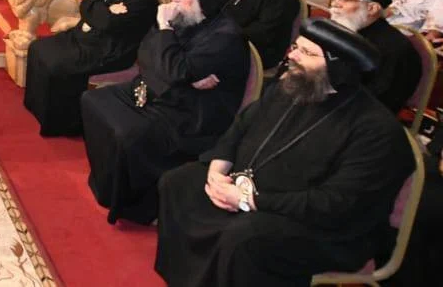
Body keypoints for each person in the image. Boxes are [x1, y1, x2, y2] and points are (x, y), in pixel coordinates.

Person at [154, 18, 414, 287]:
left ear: (338, 67)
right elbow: (239, 128)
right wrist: (217, 170)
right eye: (295, 47)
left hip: (325, 230)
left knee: (245, 238)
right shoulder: (291, 86)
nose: (292, 56)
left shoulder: (376, 131)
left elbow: (336, 204)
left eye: (307, 53)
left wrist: (249, 201)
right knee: (178, 183)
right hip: (253, 190)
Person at [80, 0, 248, 225]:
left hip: (195, 114)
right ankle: (108, 185)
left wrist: (166, 34)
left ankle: (138, 207)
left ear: (202, 0)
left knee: (129, 135)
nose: (174, 0)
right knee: (93, 101)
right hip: (165, 92)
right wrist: (180, 75)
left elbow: (174, 68)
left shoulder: (226, 37)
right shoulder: (186, 17)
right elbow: (146, 53)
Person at [23, 0, 159, 137]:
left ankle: (63, 124)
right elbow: (85, 3)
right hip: (87, 39)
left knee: (57, 64)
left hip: (110, 51)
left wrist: (97, 9)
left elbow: (106, 24)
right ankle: (37, 107)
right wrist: (103, 9)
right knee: (38, 48)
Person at [327, 0, 421, 114]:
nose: (335, 4)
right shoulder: (342, 31)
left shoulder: (395, 48)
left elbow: (379, 99)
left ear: (372, 8)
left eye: (345, 0)